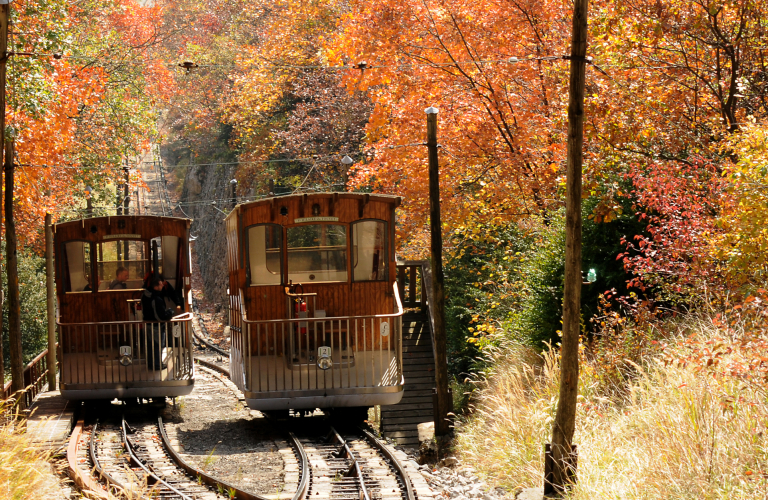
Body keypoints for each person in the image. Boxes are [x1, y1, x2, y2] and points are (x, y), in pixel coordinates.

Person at [141, 276, 175, 370]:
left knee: (150, 345)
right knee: (157, 345)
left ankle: (151, 363)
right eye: (161, 284)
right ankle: (157, 364)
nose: (163, 286)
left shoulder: (145, 295)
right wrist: (170, 312)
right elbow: (160, 316)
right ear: (156, 286)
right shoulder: (156, 299)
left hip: (148, 324)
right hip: (157, 326)